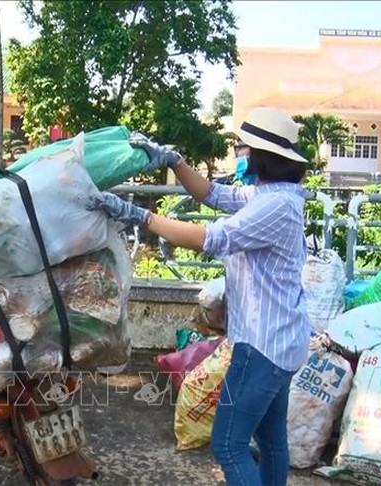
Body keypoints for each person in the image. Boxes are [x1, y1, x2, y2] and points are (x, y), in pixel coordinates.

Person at [89, 107, 311, 486]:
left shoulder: (275, 205)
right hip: (283, 341)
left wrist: (141, 216)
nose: (242, 154)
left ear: (263, 157)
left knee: (228, 444)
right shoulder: (272, 194)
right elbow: (214, 194)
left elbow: (212, 240)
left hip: (261, 346)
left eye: (245, 149)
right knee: (271, 439)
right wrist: (176, 163)